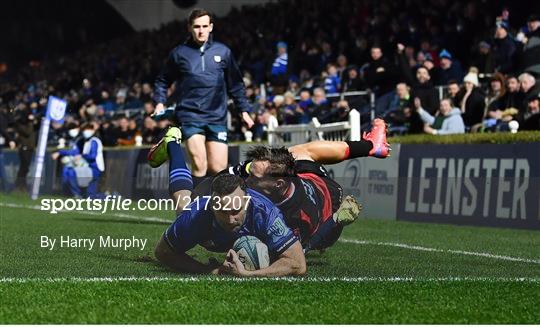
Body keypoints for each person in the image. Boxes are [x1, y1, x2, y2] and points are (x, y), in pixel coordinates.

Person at [153, 128, 306, 277]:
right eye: (223, 212)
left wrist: (249, 274)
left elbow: (298, 264)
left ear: (246, 202)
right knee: (183, 205)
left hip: (232, 186)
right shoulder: (197, 214)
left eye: (235, 211)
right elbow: (163, 252)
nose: (230, 219)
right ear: (213, 207)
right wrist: (211, 271)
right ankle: (173, 144)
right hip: (209, 191)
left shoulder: (265, 213)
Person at [224, 118, 390, 252]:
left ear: (278, 184)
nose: (247, 181)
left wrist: (337, 220)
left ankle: (372, 147)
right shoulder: (279, 184)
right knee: (294, 153)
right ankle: (370, 147)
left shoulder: (297, 217)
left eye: (253, 177)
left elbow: (298, 250)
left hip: (329, 204)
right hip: (310, 179)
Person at [151, 8, 254, 187]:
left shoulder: (223, 52)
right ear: (189, 28)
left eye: (205, 26)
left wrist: (244, 111)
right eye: (197, 26)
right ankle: (196, 211)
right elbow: (162, 80)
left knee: (218, 168)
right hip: (190, 116)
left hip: (217, 116)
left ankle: (213, 210)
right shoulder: (179, 53)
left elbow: (236, 84)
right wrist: (160, 102)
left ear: (211, 27)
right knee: (199, 164)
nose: (201, 30)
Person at [51, 123, 104, 198]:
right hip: (88, 168)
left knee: (91, 196)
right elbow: (74, 152)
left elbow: (93, 156)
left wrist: (81, 156)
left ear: (93, 131)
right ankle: (76, 194)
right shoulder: (84, 141)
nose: (86, 132)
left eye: (88, 130)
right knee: (70, 171)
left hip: (94, 169)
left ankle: (112, 197)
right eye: (84, 130)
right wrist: (60, 152)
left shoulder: (94, 141)